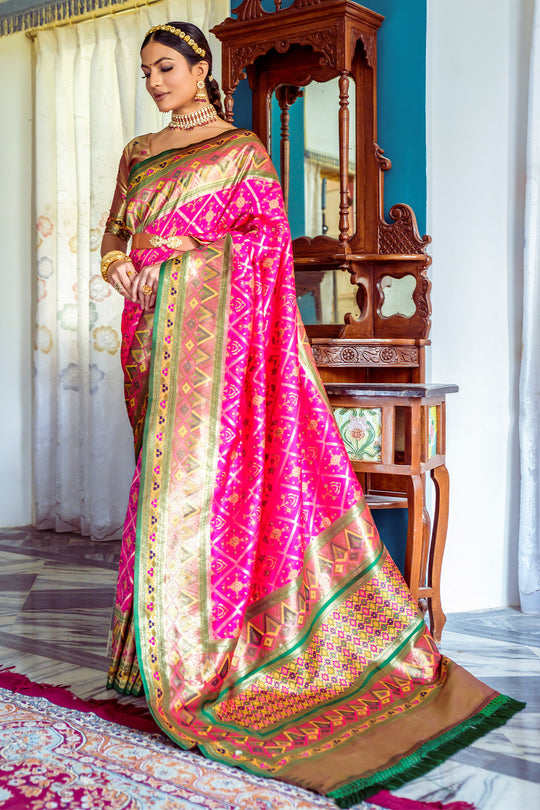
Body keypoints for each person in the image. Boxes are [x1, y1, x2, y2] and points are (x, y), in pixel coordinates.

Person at [101, 21, 523, 807]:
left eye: (167, 68)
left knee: (193, 493)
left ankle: (205, 648)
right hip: (149, 341)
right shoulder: (136, 152)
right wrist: (123, 266)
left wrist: (176, 267)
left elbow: (265, 248)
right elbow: (114, 240)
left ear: (201, 71)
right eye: (147, 70)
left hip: (216, 354)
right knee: (156, 489)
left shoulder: (243, 152)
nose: (155, 82)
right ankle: (149, 652)